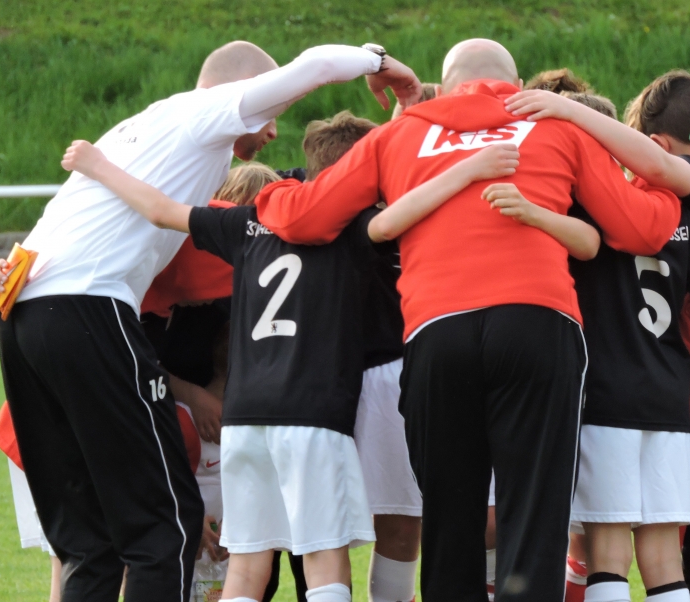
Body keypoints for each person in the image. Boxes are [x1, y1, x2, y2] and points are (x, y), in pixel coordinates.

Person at [0, 41, 421, 602]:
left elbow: (127, 216)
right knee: (164, 526)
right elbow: (313, 69)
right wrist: (380, 63)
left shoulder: (137, 133)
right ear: (241, 92)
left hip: (26, 313)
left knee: (90, 544)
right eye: (273, 115)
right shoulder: (206, 114)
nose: (273, 132)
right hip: (90, 313)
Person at [251, 38, 683, 602]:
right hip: (538, 323)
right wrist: (662, 189)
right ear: (517, 81)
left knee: (450, 520)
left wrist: (270, 192)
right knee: (532, 516)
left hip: (437, 330)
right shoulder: (554, 126)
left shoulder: (400, 134)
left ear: (442, 84)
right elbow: (640, 229)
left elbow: (306, 217)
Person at [60, 125, 520, 602]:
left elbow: (159, 209)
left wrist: (98, 165)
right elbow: (394, 219)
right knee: (325, 559)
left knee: (246, 568)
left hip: (244, 418)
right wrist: (471, 167)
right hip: (312, 416)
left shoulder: (247, 222)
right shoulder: (345, 229)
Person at [507, 89, 690, 602]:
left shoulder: (579, 209)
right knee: (663, 557)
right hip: (667, 395)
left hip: (606, 397)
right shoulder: (676, 213)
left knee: (608, 554)